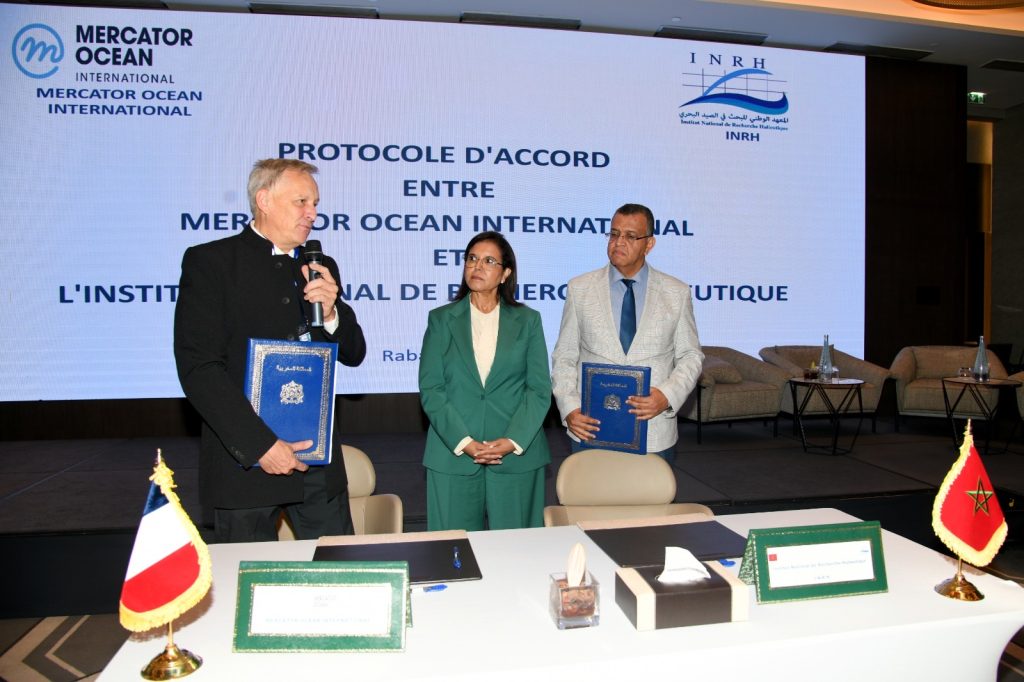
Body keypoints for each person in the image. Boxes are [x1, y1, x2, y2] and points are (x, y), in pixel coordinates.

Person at [174, 159, 366, 542]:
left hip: (317, 464)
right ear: (264, 200)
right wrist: (260, 445)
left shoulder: (320, 266)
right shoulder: (212, 262)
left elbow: (354, 351)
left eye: (315, 203)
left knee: (338, 567)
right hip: (245, 463)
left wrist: (331, 313)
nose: (312, 213)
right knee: (250, 572)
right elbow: (200, 369)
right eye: (301, 202)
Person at [419, 232, 552, 531]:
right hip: (453, 454)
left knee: (517, 550)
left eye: (489, 261)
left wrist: (513, 440)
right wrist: (464, 442)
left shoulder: (528, 320)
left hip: (516, 456)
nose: (477, 266)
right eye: (472, 259)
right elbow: (431, 389)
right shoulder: (440, 319)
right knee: (453, 550)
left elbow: (538, 389)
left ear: (505, 274)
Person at [551, 203, 703, 461]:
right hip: (590, 427)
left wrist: (666, 396)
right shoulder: (580, 288)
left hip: (653, 432)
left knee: (652, 491)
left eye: (630, 236)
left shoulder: (676, 292)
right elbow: (564, 356)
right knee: (591, 490)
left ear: (649, 244)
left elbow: (691, 356)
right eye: (614, 234)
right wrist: (569, 408)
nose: (618, 242)